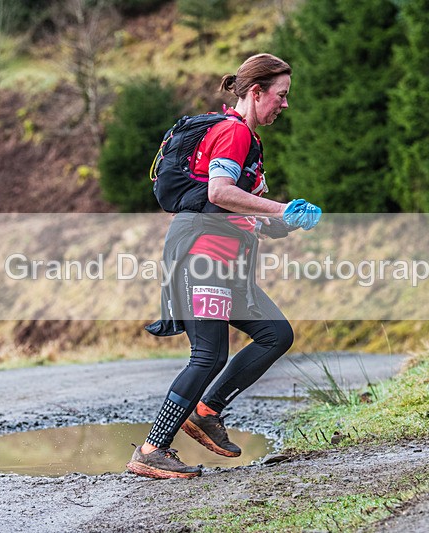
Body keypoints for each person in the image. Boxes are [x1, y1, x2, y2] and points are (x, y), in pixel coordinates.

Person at [126, 53, 322, 479]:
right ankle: (152, 449)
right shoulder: (234, 132)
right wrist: (281, 207)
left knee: (275, 334)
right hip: (204, 259)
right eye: (281, 95)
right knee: (208, 355)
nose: (285, 104)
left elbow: (249, 213)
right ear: (257, 92)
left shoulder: (250, 142)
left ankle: (207, 411)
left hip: (226, 263)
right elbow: (219, 192)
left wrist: (289, 219)